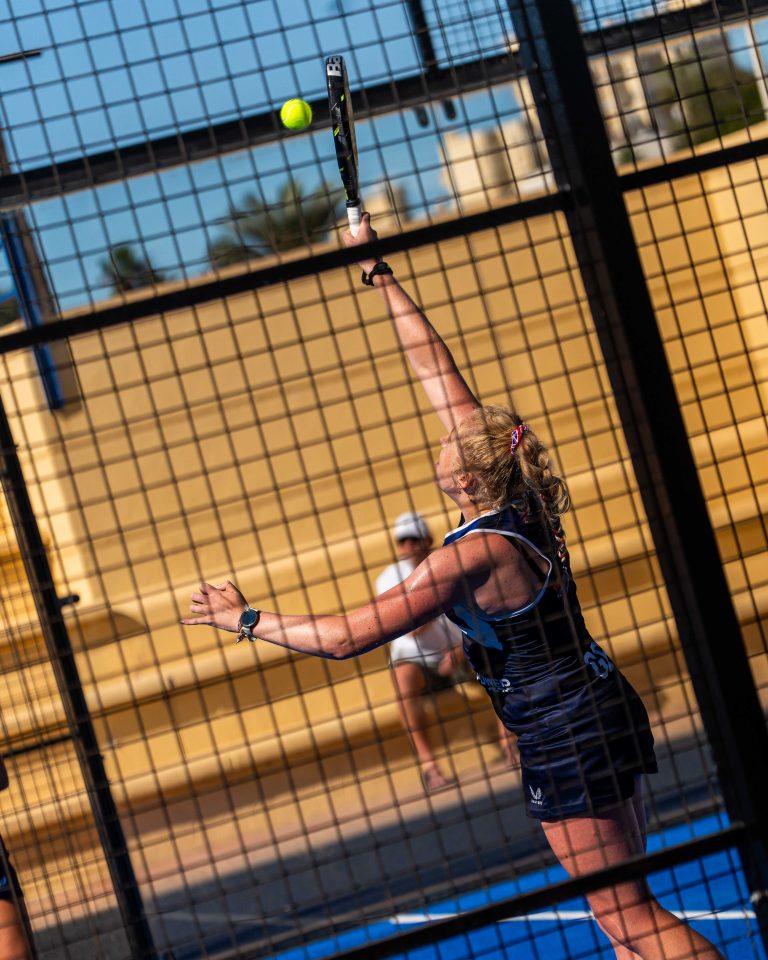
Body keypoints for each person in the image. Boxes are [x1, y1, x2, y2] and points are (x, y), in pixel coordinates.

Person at [182, 213, 724, 959]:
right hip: (595, 701)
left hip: (563, 730)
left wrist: (246, 618)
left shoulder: (469, 558)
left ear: (465, 478)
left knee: (629, 917)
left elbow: (347, 637)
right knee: (620, 916)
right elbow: (434, 366)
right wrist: (377, 272)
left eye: (447, 440)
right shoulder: (517, 495)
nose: (441, 432)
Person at [378, 510, 518, 791]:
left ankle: (510, 745)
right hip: (418, 661)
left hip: (459, 650)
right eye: (402, 541)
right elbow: (409, 628)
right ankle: (430, 768)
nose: (408, 546)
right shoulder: (390, 577)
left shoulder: (448, 562)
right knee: (404, 681)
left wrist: (457, 651)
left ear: (427, 540)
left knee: (501, 665)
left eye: (413, 539)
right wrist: (439, 599)